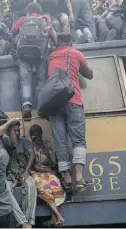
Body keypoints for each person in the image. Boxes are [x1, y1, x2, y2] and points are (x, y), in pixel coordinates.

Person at [48, 32, 93, 192]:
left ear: (57, 42)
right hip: (73, 100)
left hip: (54, 103)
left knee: (60, 141)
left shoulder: (51, 57)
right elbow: (90, 75)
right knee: (79, 141)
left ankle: (66, 178)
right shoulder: (75, 53)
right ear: (71, 42)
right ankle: (79, 178)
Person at [11, 2, 58, 119]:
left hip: (23, 53)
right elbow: (52, 32)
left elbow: (12, 31)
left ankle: (26, 105)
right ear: (40, 11)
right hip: (40, 53)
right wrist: (57, 45)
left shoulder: (23, 19)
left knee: (25, 80)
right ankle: (42, 105)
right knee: (41, 79)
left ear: (28, 11)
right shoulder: (45, 18)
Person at [1, 119, 37, 226]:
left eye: (18, 131)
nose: (17, 133)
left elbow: (32, 154)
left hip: (22, 172)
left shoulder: (24, 141)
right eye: (14, 131)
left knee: (31, 185)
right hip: (10, 174)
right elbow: (13, 145)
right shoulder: (4, 142)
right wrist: (7, 173)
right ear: (8, 132)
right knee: (6, 189)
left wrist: (26, 171)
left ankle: (29, 222)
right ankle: (21, 221)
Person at [28, 124, 66, 227]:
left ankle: (54, 218)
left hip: (49, 172)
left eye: (38, 134)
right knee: (44, 187)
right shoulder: (30, 147)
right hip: (37, 173)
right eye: (34, 134)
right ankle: (58, 215)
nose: (36, 136)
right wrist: (44, 169)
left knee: (55, 185)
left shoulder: (47, 144)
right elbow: (31, 165)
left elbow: (53, 162)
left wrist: (42, 146)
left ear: (41, 134)